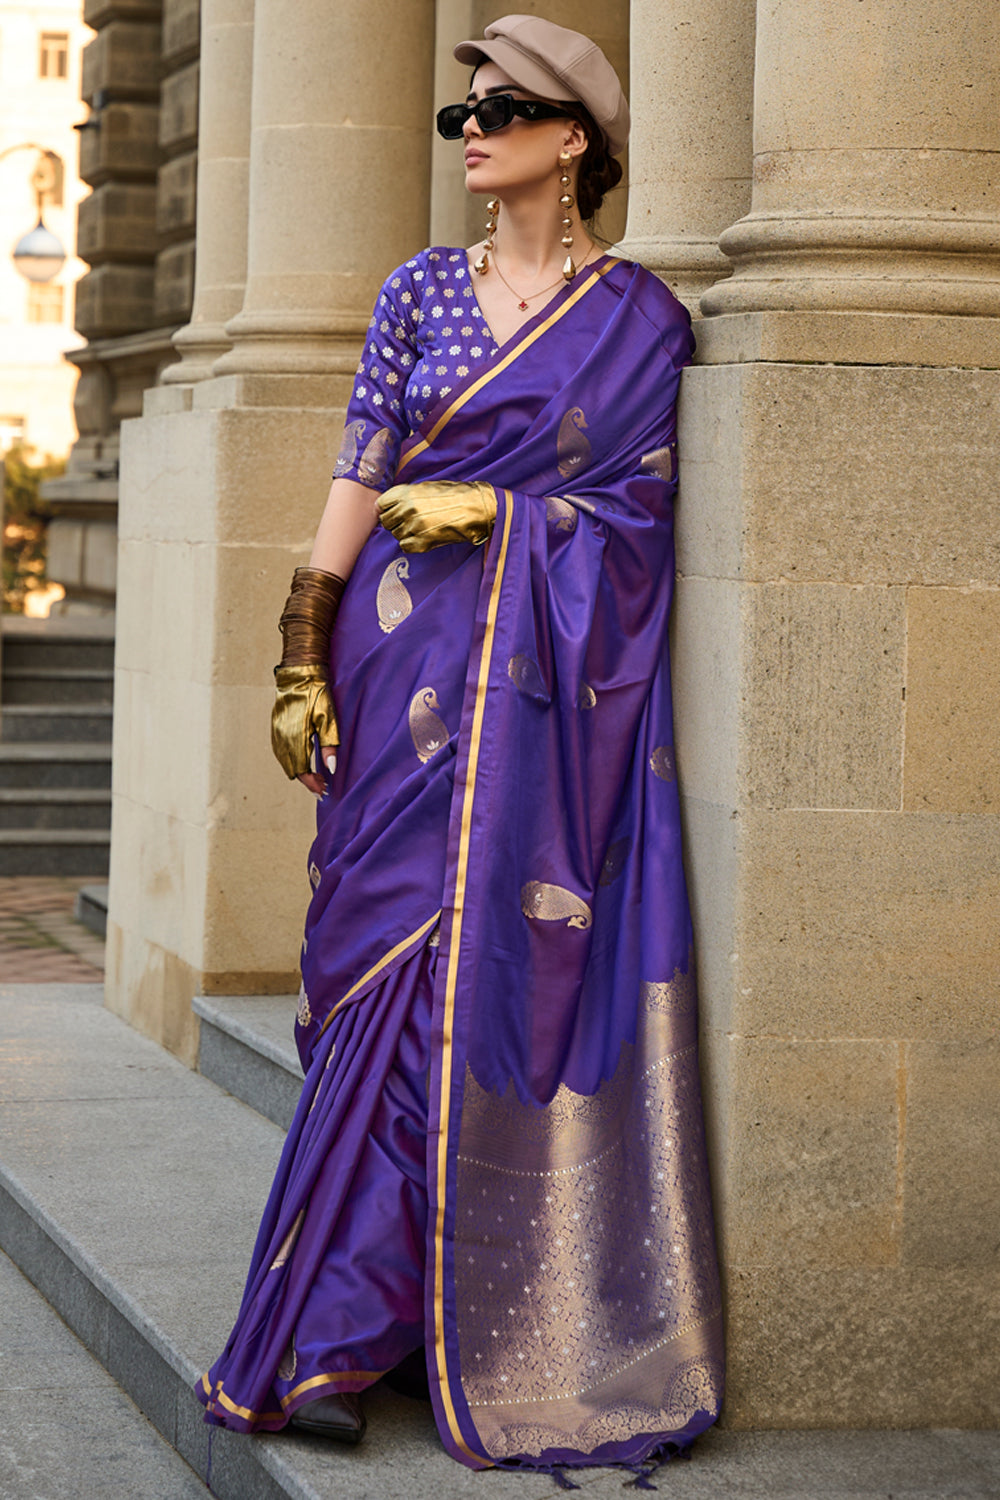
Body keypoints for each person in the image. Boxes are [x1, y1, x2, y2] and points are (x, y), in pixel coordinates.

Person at [197, 14, 724, 1484]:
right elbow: (361, 461)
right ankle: (334, 1330)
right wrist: (302, 643)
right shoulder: (418, 288)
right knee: (371, 979)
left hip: (543, 712)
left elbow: (640, 525)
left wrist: (506, 516)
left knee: (486, 982)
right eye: (462, 113)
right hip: (399, 674)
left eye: (504, 112)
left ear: (575, 143)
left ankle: (437, 1325)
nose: (472, 131)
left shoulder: (638, 322)